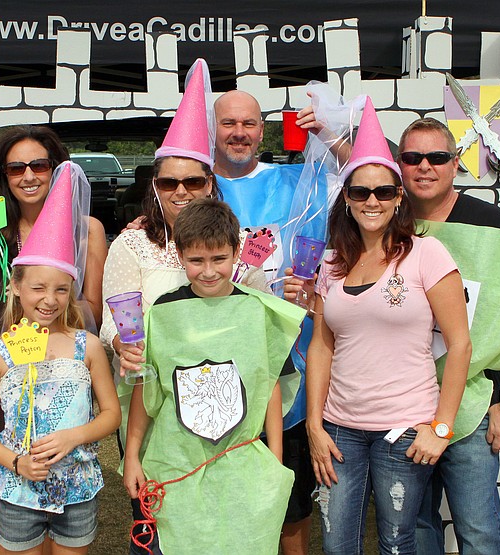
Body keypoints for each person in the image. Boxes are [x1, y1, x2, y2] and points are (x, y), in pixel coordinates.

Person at [102, 59, 270, 554]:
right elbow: (114, 315)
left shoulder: (236, 245)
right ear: (154, 187)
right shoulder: (133, 244)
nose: (181, 191)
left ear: (210, 184)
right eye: (169, 183)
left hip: (223, 404)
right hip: (154, 403)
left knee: (219, 520)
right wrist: (120, 342)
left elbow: (258, 314)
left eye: (193, 182)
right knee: (159, 517)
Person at [304, 98, 471, 554]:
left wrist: (441, 428)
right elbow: (321, 346)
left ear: (399, 197)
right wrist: (315, 425)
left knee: (397, 542)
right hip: (340, 429)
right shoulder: (332, 262)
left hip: (404, 429)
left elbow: (459, 344)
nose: (372, 201)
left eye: (383, 191)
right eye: (360, 192)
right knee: (337, 544)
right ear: (347, 199)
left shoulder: (426, 254)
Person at [0, 125, 107, 553]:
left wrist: (54, 321)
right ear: (3, 175)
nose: (29, 175)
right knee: (11, 498)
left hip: (62, 366)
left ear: (56, 168)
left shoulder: (87, 229)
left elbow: (93, 307)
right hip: (8, 377)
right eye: (16, 168)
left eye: (39, 165)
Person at [397, 118, 500, 555]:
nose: (424, 166)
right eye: (412, 157)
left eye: (437, 157)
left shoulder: (492, 225)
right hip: (402, 406)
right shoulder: (386, 219)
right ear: (399, 165)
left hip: (472, 405)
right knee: (414, 527)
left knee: (479, 531)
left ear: (455, 163)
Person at [123, 198, 305, 555]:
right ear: (180, 255)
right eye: (196, 261)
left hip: (240, 459)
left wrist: (275, 459)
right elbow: (147, 388)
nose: (208, 271)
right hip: (175, 460)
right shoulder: (163, 312)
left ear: (236, 252)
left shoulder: (259, 311)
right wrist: (132, 455)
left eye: (219, 259)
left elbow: (268, 384)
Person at [211, 88, 350, 554]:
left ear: (262, 129)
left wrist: (329, 135)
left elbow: (367, 175)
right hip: (218, 367)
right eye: (229, 123)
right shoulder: (193, 183)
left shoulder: (296, 182)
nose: (239, 133)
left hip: (291, 365)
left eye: (249, 123)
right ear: (213, 129)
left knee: (291, 499)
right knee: (225, 499)